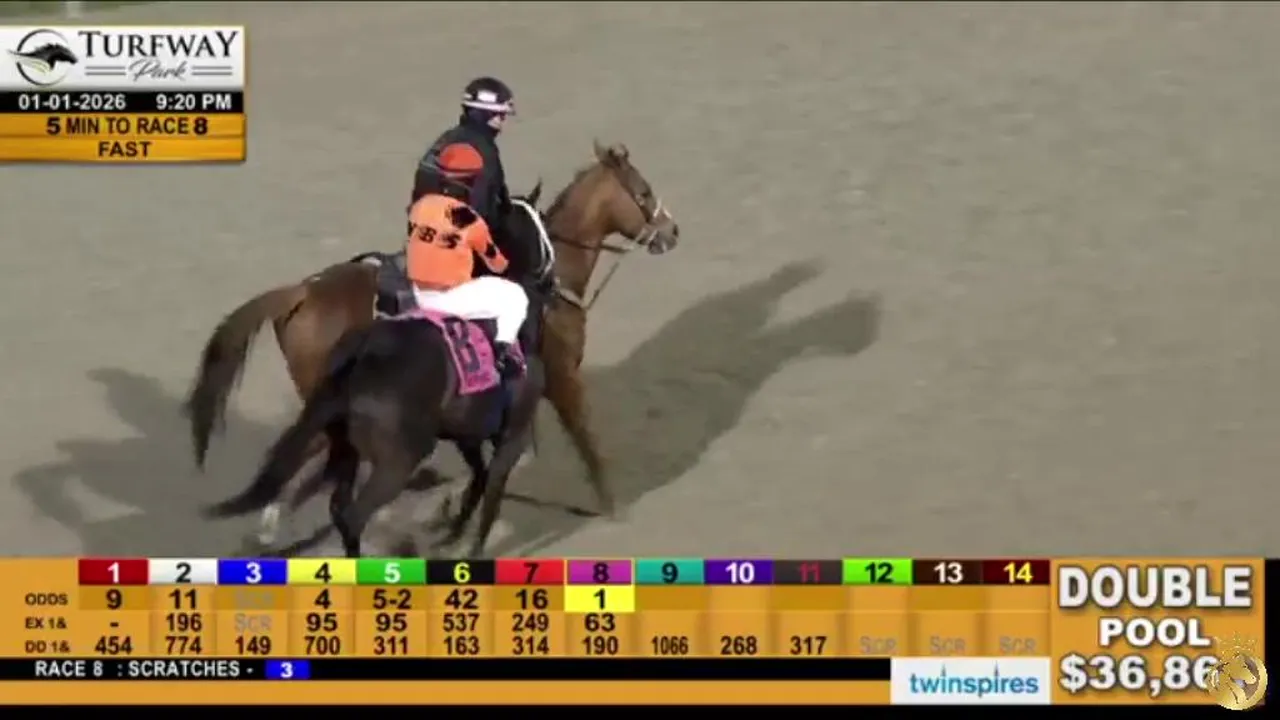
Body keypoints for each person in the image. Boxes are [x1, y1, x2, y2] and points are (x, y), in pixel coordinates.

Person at [407, 143, 528, 378]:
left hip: (417, 293)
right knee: (515, 296)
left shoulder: (420, 206)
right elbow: (496, 264)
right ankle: (503, 353)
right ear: (471, 182)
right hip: (450, 299)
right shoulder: (468, 218)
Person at [413, 77, 515, 234]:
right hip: (461, 240)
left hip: (420, 232)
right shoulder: (485, 151)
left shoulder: (444, 140)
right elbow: (489, 211)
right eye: (501, 115)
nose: (503, 123)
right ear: (487, 115)